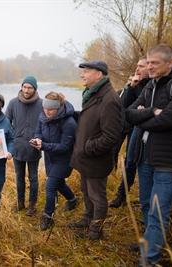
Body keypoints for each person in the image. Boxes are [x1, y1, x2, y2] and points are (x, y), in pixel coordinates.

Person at [125, 44, 172, 266]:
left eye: (154, 63)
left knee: (158, 211)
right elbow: (129, 114)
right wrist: (153, 112)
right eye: (148, 63)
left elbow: (171, 119)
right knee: (146, 204)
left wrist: (144, 117)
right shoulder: (149, 86)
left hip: (170, 159)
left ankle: (149, 260)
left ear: (170, 62)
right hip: (145, 156)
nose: (150, 67)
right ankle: (150, 241)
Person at [68, 60, 121, 240]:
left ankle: (96, 231)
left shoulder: (109, 99)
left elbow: (111, 136)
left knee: (97, 196)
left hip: (95, 158)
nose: (82, 75)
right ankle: (87, 219)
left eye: (86, 71)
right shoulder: (92, 94)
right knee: (85, 190)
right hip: (85, 157)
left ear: (99, 74)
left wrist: (88, 147)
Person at [30, 91, 78, 231]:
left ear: (58, 108)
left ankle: (48, 217)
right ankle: (73, 200)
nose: (47, 112)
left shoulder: (69, 123)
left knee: (50, 186)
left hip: (64, 159)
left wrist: (43, 146)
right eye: (45, 108)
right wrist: (37, 139)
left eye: (50, 109)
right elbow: (38, 131)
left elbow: (64, 147)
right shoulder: (42, 116)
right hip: (50, 157)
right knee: (59, 183)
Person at [110, 56, 151, 208]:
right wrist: (132, 87)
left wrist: (143, 112)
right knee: (130, 161)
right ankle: (122, 194)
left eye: (141, 66)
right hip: (137, 127)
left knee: (151, 165)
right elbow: (125, 105)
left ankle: (157, 202)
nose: (137, 69)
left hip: (151, 128)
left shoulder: (155, 84)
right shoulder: (138, 84)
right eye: (137, 66)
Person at [4, 76, 43, 216]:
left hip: (34, 148)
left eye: (30, 88)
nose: (26, 90)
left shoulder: (41, 104)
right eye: (24, 87)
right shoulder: (13, 103)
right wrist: (13, 137)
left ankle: (32, 204)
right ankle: (20, 202)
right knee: (19, 176)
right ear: (21, 87)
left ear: (34, 89)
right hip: (17, 146)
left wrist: (39, 139)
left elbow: (45, 124)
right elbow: (6, 123)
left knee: (33, 177)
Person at [112, 73, 134, 170]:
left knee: (130, 153)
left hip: (132, 128)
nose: (130, 82)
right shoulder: (120, 93)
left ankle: (125, 175)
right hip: (119, 126)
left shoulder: (139, 93)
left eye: (132, 80)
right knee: (113, 150)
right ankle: (113, 171)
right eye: (129, 79)